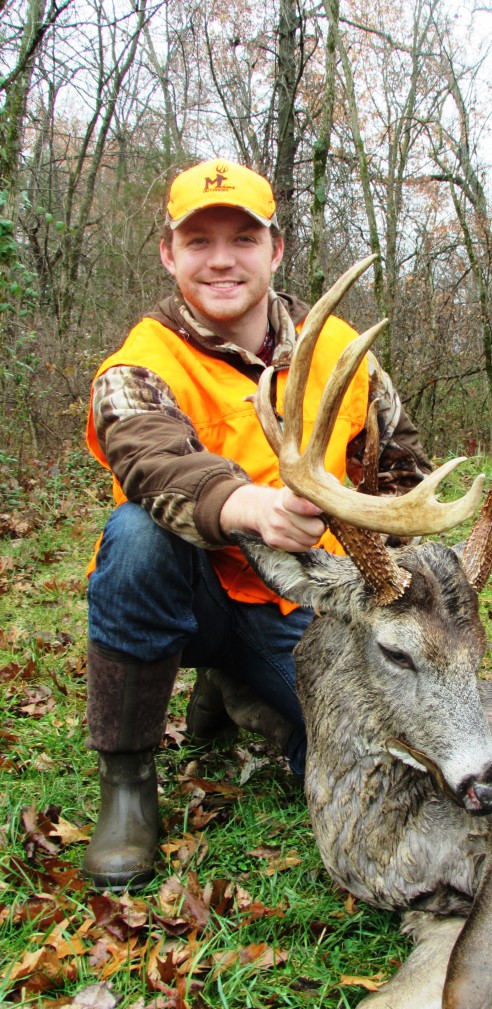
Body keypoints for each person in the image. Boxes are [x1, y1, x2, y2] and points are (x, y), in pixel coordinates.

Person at [83, 158, 432, 891]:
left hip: (308, 605)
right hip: (194, 593)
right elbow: (155, 464)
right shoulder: (138, 365)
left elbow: (399, 464)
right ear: (168, 253)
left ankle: (237, 689)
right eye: (199, 240)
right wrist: (257, 509)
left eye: (242, 239)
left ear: (274, 250)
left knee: (369, 749)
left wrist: (407, 577)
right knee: (137, 538)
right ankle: (127, 784)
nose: (220, 260)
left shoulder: (340, 350)